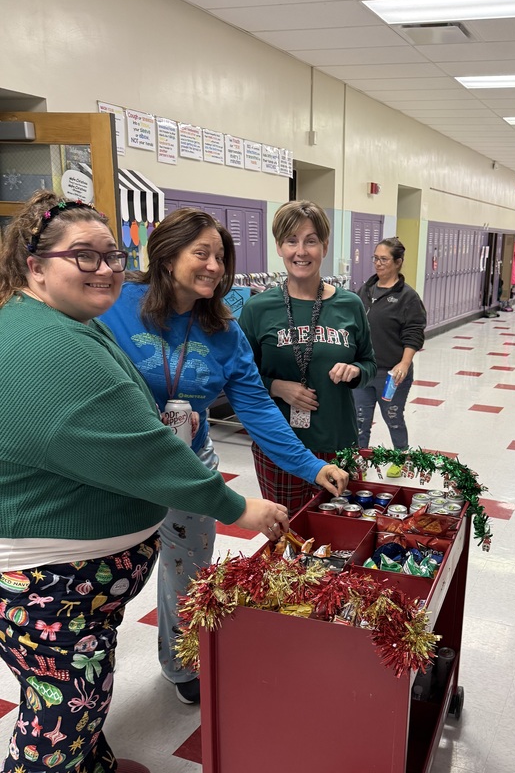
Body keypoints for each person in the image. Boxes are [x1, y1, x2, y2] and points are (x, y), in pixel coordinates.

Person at [0, 192, 295, 773]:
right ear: (35, 265)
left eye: (111, 255)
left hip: (82, 577)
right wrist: (235, 508)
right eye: (84, 256)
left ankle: (87, 766)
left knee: (88, 676)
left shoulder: (70, 321)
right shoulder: (48, 346)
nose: (104, 268)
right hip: (41, 573)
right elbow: (146, 450)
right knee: (62, 696)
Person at [101, 208, 348, 705]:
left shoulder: (223, 329)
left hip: (189, 469)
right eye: (202, 254)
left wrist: (311, 465)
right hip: (120, 470)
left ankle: (182, 661)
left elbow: (257, 407)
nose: (215, 266)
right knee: (110, 583)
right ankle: (87, 686)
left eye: (221, 256)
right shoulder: (114, 305)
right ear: (167, 255)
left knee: (188, 570)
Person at [239, 200, 376, 514]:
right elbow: (240, 378)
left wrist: (355, 370)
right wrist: (276, 386)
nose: (301, 251)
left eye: (310, 241)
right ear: (279, 246)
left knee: (340, 530)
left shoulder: (350, 304)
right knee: (290, 534)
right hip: (280, 444)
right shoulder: (258, 309)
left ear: (324, 247)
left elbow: (369, 363)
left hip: (338, 442)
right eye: (291, 241)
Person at [354, 237, 427, 478]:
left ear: (398, 262)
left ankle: (401, 457)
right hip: (364, 371)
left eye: (383, 259)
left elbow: (414, 333)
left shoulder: (408, 297)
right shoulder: (365, 290)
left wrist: (405, 363)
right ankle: (359, 463)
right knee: (360, 419)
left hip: (392, 374)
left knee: (393, 416)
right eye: (375, 258)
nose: (377, 263)